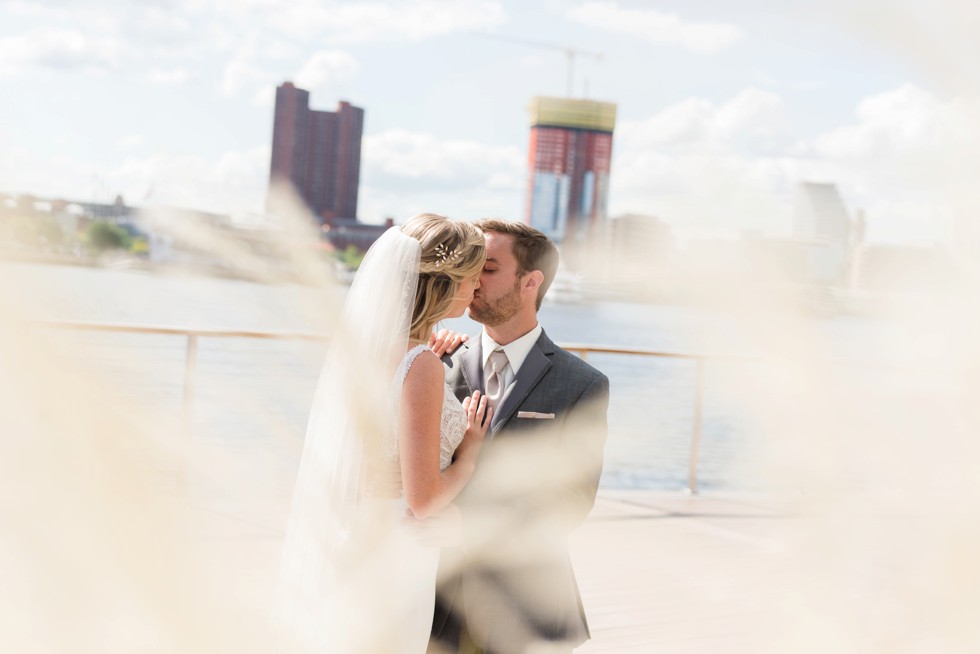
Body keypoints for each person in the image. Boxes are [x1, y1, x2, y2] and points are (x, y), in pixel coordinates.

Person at [276, 213, 493, 653]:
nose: (477, 288)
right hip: (400, 545)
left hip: (360, 528)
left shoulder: (373, 352)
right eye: (472, 276)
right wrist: (470, 451)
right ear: (445, 283)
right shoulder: (422, 365)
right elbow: (424, 499)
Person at [429, 220, 610, 654]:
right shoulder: (436, 362)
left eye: (487, 268)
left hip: (526, 607)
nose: (472, 281)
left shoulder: (582, 383)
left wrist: (468, 525)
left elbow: (572, 501)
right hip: (433, 596)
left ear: (531, 282)